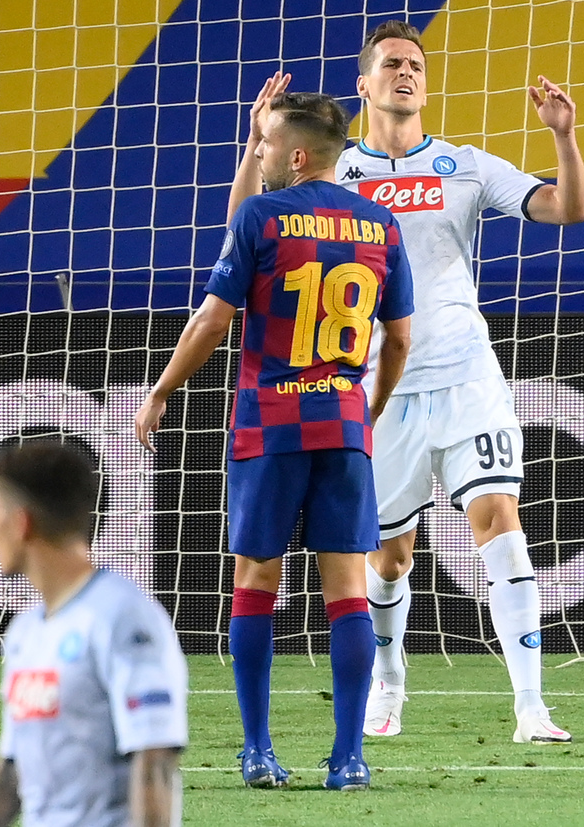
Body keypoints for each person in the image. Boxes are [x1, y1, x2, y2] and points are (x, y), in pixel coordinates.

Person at [228, 20, 584, 744]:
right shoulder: (337, 174)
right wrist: (252, 145)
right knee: (388, 557)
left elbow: (567, 208)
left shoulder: (466, 166)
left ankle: (531, 707)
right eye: (391, 63)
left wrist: (563, 136)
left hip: (466, 377)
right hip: (378, 386)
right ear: (363, 86)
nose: (406, 72)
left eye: (415, 64)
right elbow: (246, 223)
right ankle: (389, 685)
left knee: (502, 527)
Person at [135, 90, 414, 791]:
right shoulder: (381, 223)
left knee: (257, 578)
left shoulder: (262, 215)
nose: (257, 158)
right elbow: (402, 337)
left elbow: (212, 321)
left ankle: (258, 749)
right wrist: (367, 408)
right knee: (348, 585)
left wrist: (161, 389)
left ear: (294, 155)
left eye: (263, 148)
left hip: (270, 422)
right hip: (344, 425)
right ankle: (349, 758)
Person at [0, 441, 187, 827]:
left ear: (21, 522)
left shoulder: (123, 618)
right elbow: (13, 772)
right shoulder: (25, 632)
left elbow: (155, 761)